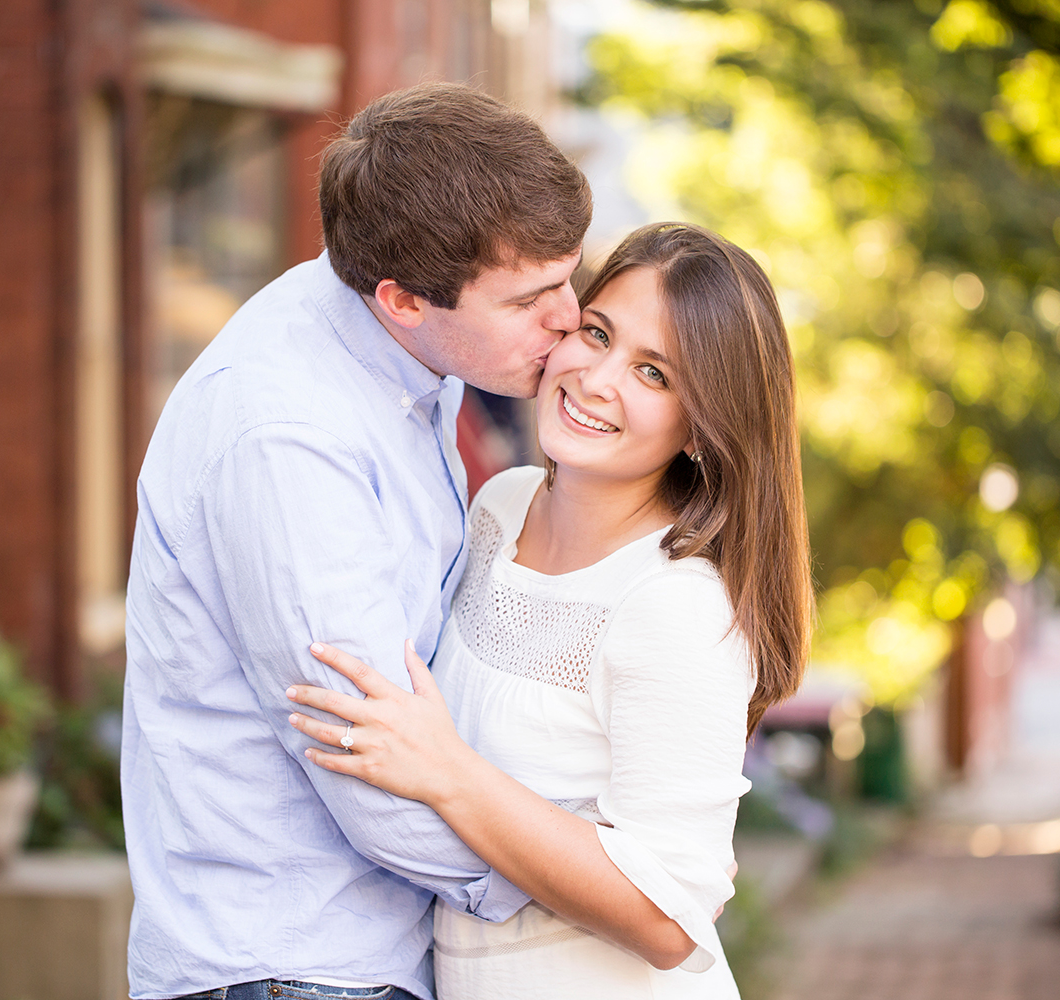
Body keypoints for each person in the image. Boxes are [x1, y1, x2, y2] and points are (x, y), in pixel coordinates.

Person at [120, 82, 591, 1000]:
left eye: (567, 277)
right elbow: (370, 769)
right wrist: (580, 889)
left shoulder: (408, 343)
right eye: (532, 298)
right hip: (296, 971)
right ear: (403, 300)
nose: (568, 317)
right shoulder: (292, 443)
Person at [284, 222, 815, 1000]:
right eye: (596, 332)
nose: (598, 379)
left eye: (655, 374)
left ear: (703, 429)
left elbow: (671, 921)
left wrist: (449, 773)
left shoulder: (676, 607)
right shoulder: (499, 506)